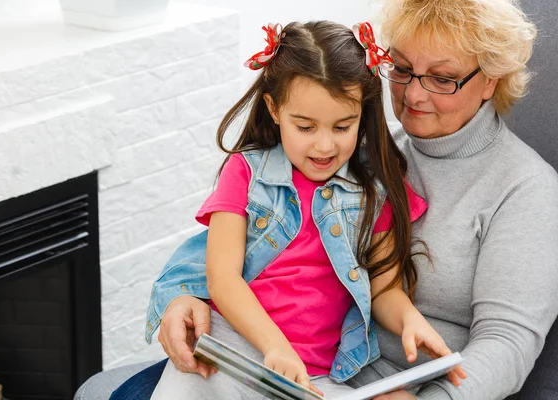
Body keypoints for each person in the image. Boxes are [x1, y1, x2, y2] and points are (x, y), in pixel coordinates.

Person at [145, 20, 465, 399]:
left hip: (314, 377)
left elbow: (384, 291)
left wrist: (410, 320)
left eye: (343, 126)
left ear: (362, 114)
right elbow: (222, 279)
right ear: (274, 109)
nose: (324, 146)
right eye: (306, 127)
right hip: (231, 352)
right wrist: (274, 346)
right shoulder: (246, 172)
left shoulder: (375, 189)